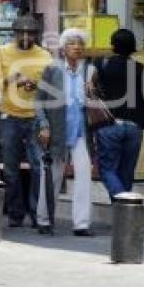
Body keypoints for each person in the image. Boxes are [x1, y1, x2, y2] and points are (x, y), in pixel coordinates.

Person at [0, 15, 52, 228]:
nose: (25, 37)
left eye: (30, 33)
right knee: (11, 168)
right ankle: (15, 213)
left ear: (36, 35)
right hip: (9, 116)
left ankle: (36, 213)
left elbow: (52, 87)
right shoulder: (2, 53)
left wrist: (37, 85)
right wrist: (10, 80)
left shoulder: (45, 56)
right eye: (21, 33)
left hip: (36, 117)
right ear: (14, 34)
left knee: (37, 166)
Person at [34, 28, 94, 236]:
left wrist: (93, 92)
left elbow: (99, 100)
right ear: (63, 48)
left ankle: (81, 223)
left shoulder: (90, 71)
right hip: (56, 129)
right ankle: (44, 219)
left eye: (80, 44)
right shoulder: (53, 69)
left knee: (84, 175)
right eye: (72, 44)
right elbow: (39, 100)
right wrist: (43, 125)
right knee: (51, 176)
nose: (77, 47)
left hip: (82, 131)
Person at [93, 29, 144, 200]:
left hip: (109, 125)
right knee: (126, 174)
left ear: (113, 46)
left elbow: (93, 92)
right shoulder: (140, 69)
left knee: (107, 169)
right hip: (134, 128)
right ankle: (124, 217)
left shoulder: (102, 65)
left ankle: (124, 200)